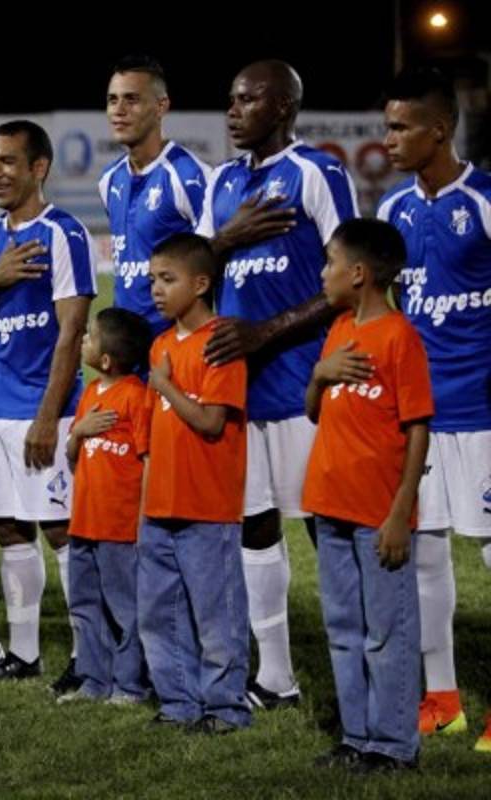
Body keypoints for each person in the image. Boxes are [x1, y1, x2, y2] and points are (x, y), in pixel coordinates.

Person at [196, 60, 358, 709]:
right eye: (230, 99)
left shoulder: (316, 172)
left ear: (284, 106)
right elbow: (196, 269)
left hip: (305, 388)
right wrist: (225, 239)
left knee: (333, 531)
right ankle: (276, 677)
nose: (233, 110)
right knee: (253, 527)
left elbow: (355, 274)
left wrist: (267, 332)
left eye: (248, 99)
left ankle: (368, 670)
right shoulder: (222, 182)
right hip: (242, 391)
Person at [0, 120, 96, 681]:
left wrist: (48, 417)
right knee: (9, 528)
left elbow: (70, 333)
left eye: (8, 161)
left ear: (39, 168)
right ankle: (24, 655)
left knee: (60, 529)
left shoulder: (63, 234)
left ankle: (89, 654)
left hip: (42, 410)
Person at [376, 66, 491, 748]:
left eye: (400, 127)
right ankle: (441, 697)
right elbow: (391, 309)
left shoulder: (482, 201)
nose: (387, 138)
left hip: (483, 414)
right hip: (422, 417)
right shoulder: (392, 212)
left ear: (439, 130)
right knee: (424, 554)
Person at [303, 218, 431, 773]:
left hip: (378, 513)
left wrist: (401, 512)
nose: (324, 272)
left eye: (331, 262)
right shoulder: (337, 332)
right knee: (343, 629)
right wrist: (319, 373)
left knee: (387, 632)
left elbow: (418, 427)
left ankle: (394, 745)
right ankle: (357, 737)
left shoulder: (399, 336)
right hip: (329, 505)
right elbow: (314, 409)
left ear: (358, 274)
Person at [139, 233, 250, 733]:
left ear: (201, 283)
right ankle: (179, 703)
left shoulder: (222, 343)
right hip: (159, 502)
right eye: (152, 281)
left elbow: (210, 422)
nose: (157, 290)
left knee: (215, 613)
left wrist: (164, 385)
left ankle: (225, 708)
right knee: (160, 613)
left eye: (168, 279)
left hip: (207, 504)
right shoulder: (161, 343)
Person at [61, 307, 153, 703]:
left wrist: (144, 520)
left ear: (105, 359)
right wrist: (78, 433)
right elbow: (71, 456)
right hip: (83, 521)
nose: (83, 339)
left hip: (119, 526)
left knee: (125, 608)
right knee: (84, 604)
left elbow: (148, 460)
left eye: (90, 336)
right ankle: (94, 681)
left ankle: (130, 683)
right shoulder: (90, 395)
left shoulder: (136, 397)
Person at [99, 55, 209, 334]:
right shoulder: (109, 180)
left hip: (174, 349)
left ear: (161, 106)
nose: (119, 110)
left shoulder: (189, 176)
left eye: (131, 99)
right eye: (113, 100)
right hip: (127, 352)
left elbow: (214, 260)